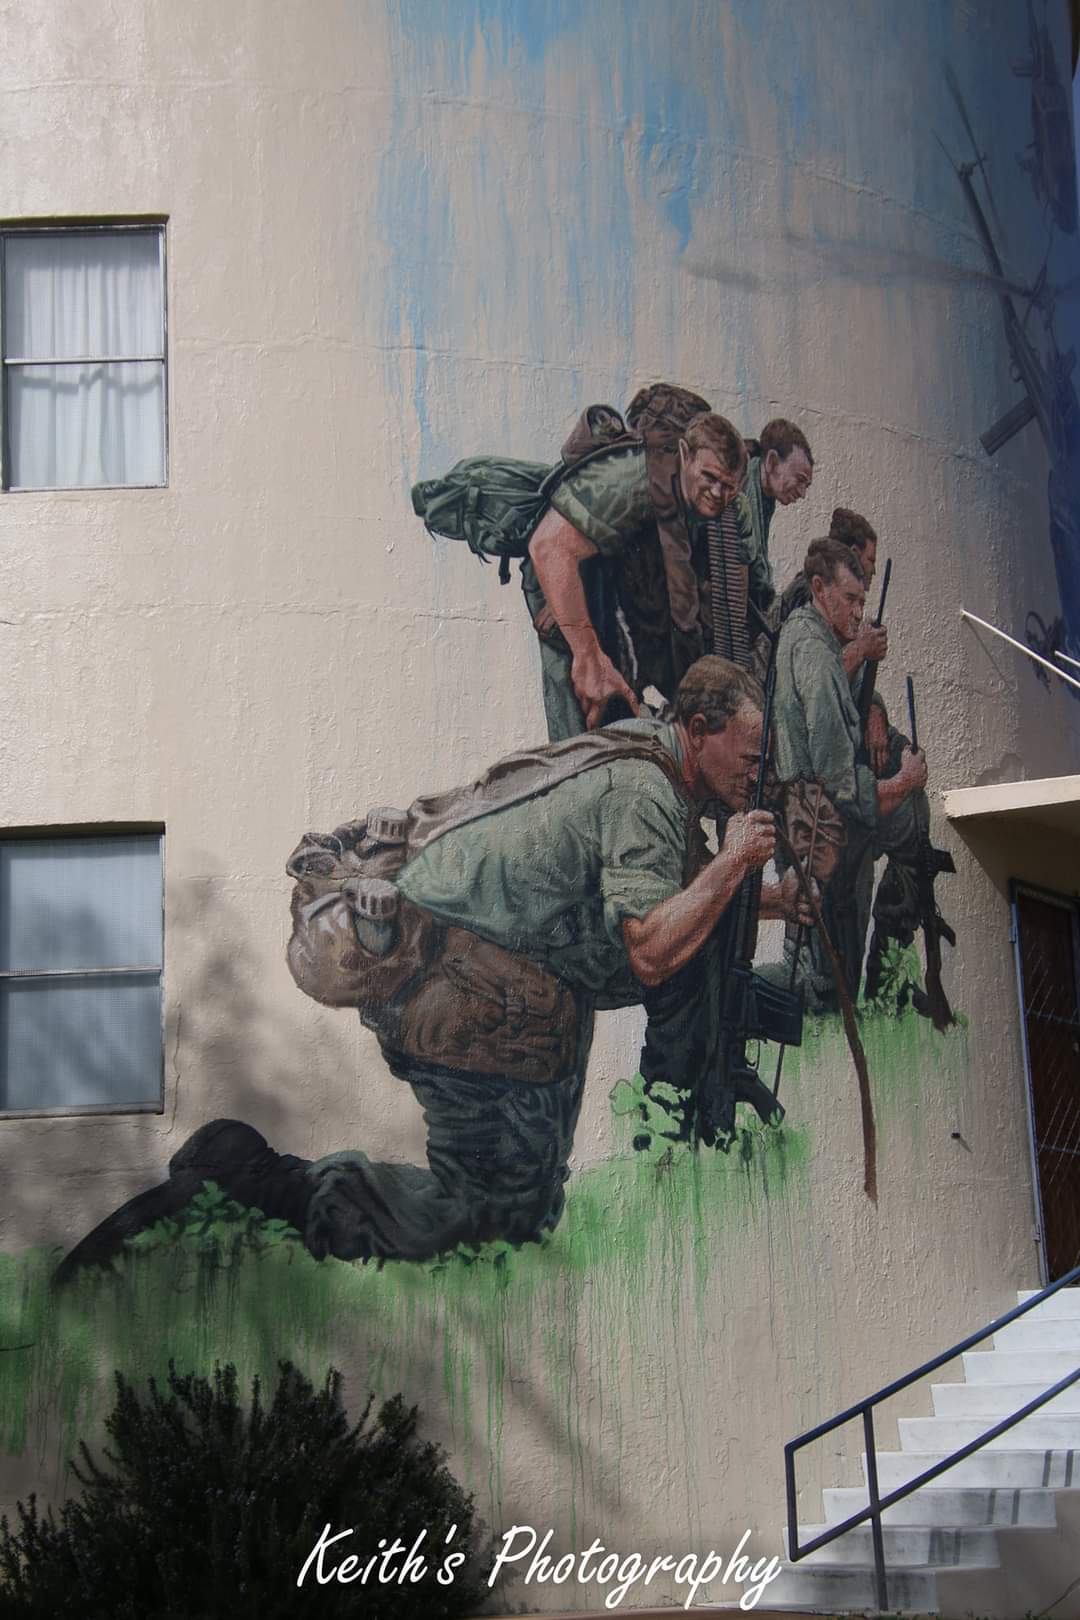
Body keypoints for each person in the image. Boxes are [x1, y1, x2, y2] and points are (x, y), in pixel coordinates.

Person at [57, 659, 811, 1280]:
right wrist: (737, 862)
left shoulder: (643, 753)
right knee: (480, 1219)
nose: (756, 776)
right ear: (699, 731)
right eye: (750, 758)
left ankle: (247, 1173)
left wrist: (768, 899)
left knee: (517, 1213)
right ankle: (252, 1185)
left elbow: (660, 894)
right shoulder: (643, 791)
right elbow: (650, 946)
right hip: (466, 991)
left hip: (497, 985)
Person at [525, 401, 755, 739]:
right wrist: (587, 656)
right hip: (568, 591)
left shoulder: (724, 512)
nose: (718, 492)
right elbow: (548, 546)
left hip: (629, 592)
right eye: (709, 477)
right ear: (685, 455)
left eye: (729, 486)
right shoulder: (629, 480)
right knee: (584, 734)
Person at [773, 538, 929, 1007]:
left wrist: (873, 701)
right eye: (850, 599)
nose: (859, 612)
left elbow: (851, 698)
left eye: (863, 601)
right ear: (819, 589)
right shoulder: (814, 653)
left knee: (832, 974)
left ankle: (884, 973)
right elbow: (838, 782)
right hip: (820, 822)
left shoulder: (816, 636)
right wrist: (903, 782)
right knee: (820, 981)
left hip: (823, 819)